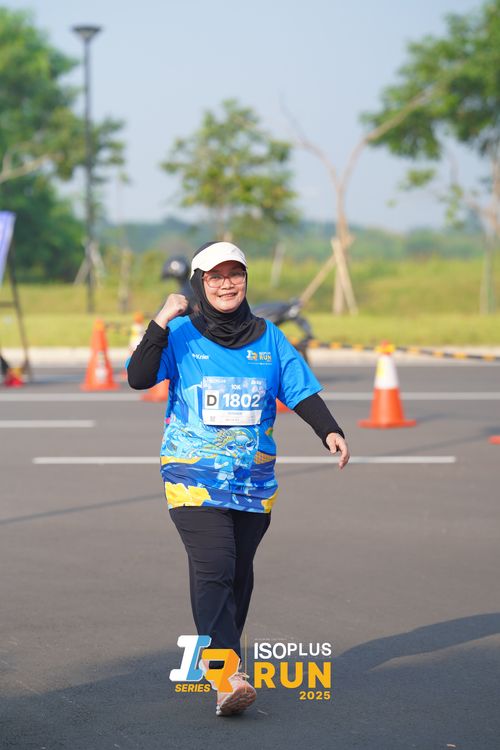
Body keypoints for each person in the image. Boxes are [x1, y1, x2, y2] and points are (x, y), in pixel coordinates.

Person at [127, 241, 349, 717]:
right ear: (199, 283)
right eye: (215, 276)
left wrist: (329, 430)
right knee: (215, 566)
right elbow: (139, 376)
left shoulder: (270, 337)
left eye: (235, 274)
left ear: (246, 279)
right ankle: (226, 675)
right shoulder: (180, 334)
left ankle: (223, 661)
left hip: (253, 479)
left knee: (237, 575)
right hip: (191, 474)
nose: (226, 284)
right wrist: (160, 320)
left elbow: (299, 389)